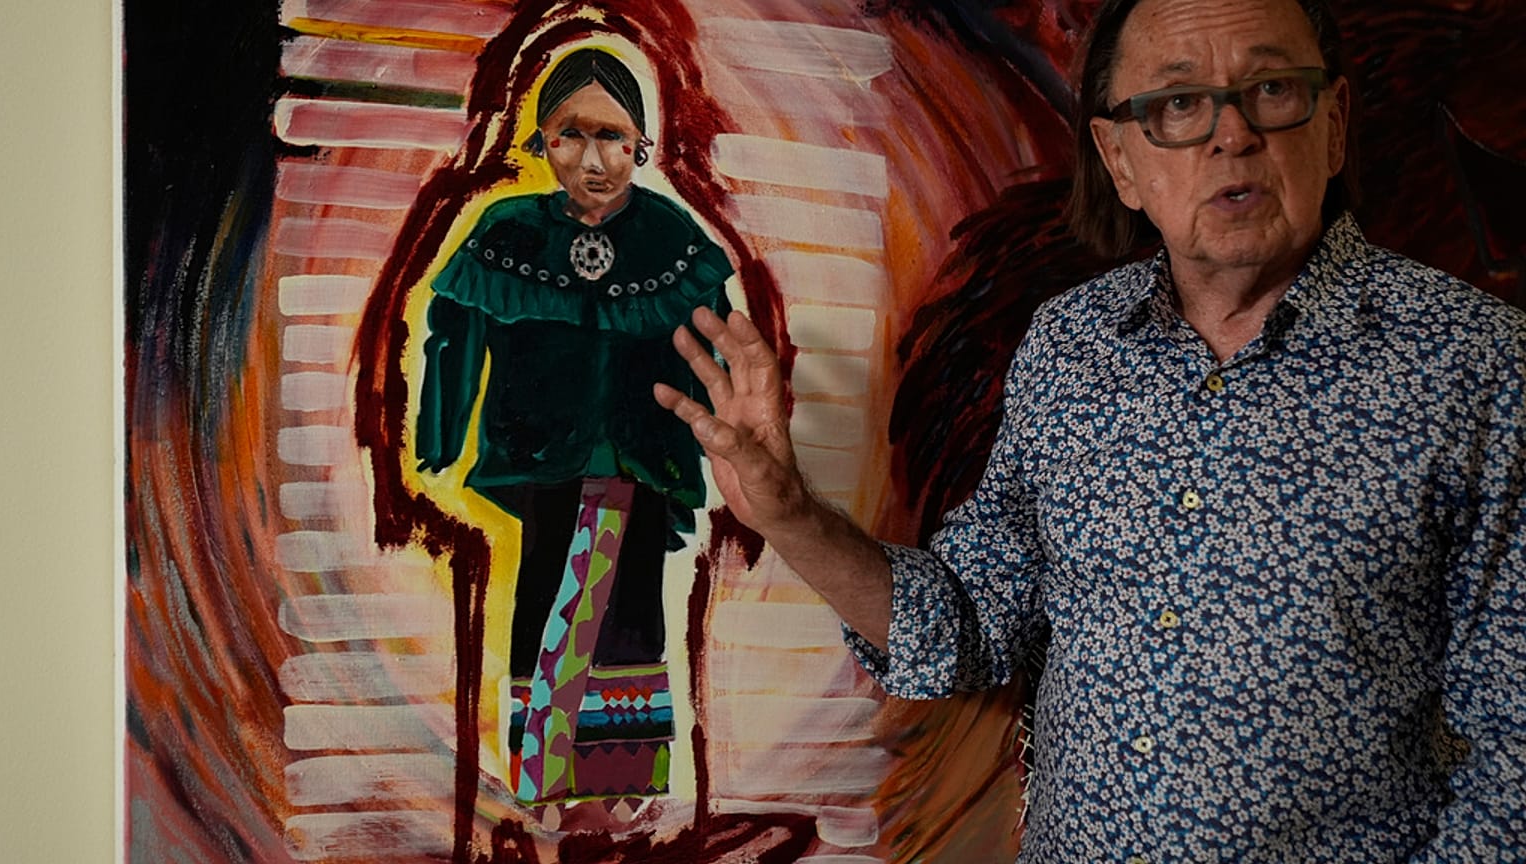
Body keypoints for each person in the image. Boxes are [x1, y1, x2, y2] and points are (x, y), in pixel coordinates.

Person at [654, 0, 1526, 859]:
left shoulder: (1477, 366)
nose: (1233, 135)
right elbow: (963, 631)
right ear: (1120, 160)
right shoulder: (1070, 345)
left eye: (1272, 89)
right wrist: (787, 513)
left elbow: (1514, 764)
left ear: (1332, 126)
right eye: (1178, 103)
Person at [417, 46, 734, 804]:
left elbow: (717, 350)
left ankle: (626, 775)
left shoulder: (671, 236)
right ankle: (544, 771)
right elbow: (453, 333)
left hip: (645, 453)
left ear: (641, 145)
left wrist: (726, 444)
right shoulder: (508, 231)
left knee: (634, 606)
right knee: (545, 596)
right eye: (572, 135)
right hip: (542, 451)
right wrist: (440, 434)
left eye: (612, 137)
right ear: (543, 141)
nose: (593, 160)